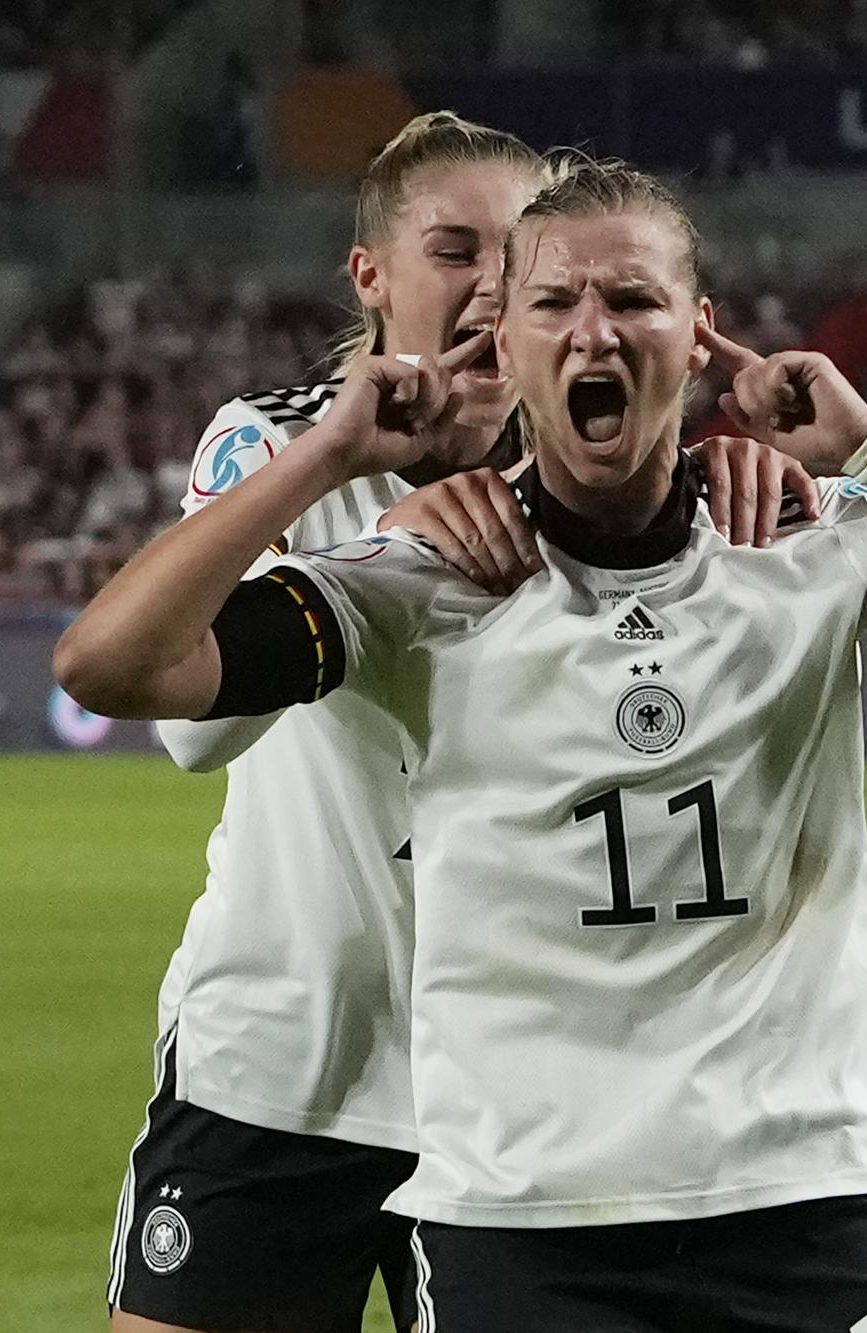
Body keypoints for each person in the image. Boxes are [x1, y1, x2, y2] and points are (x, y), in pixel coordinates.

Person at [57, 160, 867, 1330]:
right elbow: (112, 668)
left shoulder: (812, 536)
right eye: (554, 307)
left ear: (698, 336)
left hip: (809, 1195)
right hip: (522, 1220)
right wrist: (325, 457)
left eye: (631, 302)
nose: (594, 334)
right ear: (507, 351)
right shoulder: (415, 578)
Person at [98, 115, 814, 1333]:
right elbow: (190, 731)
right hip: (289, 1060)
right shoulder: (276, 441)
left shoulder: (618, 484)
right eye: (451, 249)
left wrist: (753, 457)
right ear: (370, 276)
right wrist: (359, 496)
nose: (488, 283)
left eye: (514, 255)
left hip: (526, 1103)